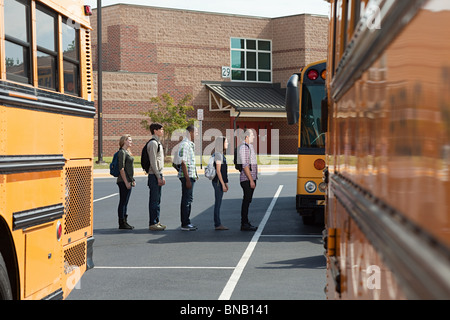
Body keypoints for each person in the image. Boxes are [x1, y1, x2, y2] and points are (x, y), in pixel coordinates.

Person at [178, 125, 198, 231]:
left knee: (189, 199)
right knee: (186, 200)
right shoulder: (184, 145)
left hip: (191, 175)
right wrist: (187, 179)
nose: (197, 134)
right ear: (190, 132)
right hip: (187, 177)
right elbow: (183, 162)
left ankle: (187, 222)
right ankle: (185, 223)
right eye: (196, 132)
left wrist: (195, 175)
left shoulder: (190, 144)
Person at [147, 123, 166, 231]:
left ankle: (157, 221)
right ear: (155, 130)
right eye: (161, 129)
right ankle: (153, 223)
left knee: (157, 200)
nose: (162, 131)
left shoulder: (157, 143)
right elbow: (153, 162)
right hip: (153, 175)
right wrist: (158, 176)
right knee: (154, 200)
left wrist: (161, 175)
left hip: (158, 174)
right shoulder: (153, 144)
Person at [239, 129, 258, 231]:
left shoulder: (249, 147)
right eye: (252, 135)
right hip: (246, 179)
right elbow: (245, 165)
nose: (254, 137)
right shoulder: (244, 148)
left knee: (248, 201)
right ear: (246, 137)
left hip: (251, 178)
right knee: (246, 201)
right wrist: (251, 180)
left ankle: (246, 222)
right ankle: (244, 223)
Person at [117, 134, 136, 230]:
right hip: (123, 181)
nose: (131, 142)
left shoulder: (127, 152)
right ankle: (122, 222)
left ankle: (125, 221)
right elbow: (122, 169)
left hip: (128, 180)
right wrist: (126, 182)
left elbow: (129, 169)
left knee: (125, 202)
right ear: (124, 141)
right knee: (123, 202)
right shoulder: (122, 152)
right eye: (129, 140)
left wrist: (132, 180)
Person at [211, 136, 229, 230]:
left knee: (218, 202)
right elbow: (218, 171)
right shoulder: (218, 155)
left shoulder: (221, 154)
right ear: (221, 144)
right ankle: (217, 224)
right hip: (217, 182)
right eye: (226, 142)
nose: (227, 144)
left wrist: (226, 183)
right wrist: (222, 184)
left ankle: (217, 223)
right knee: (218, 203)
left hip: (220, 182)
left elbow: (223, 170)